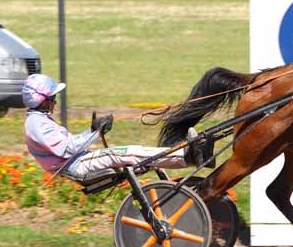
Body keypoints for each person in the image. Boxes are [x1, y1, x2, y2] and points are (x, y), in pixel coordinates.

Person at [22, 74, 202, 181]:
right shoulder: (37, 125)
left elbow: (67, 146)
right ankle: (185, 157)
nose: (55, 100)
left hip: (77, 161)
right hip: (74, 165)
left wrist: (95, 130)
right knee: (128, 152)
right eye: (52, 97)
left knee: (135, 153)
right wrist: (94, 131)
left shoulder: (39, 120)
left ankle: (182, 156)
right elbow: (68, 150)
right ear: (41, 100)